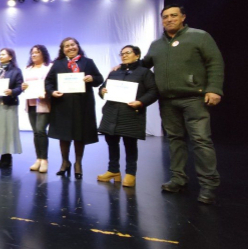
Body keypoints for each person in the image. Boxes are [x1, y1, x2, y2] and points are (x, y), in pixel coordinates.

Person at [144, 5, 224, 204]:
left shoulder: (199, 36)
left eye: (174, 15)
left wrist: (214, 89)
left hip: (194, 98)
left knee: (201, 140)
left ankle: (208, 185)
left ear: (183, 17)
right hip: (167, 101)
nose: (169, 19)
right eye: (165, 17)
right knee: (175, 140)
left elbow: (215, 62)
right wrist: (123, 67)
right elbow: (144, 66)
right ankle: (178, 179)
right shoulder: (156, 45)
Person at [97, 45, 158, 187]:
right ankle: (113, 170)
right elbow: (102, 88)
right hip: (111, 113)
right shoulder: (114, 72)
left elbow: (153, 91)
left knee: (130, 144)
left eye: (128, 53)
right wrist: (102, 91)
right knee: (111, 142)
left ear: (137, 55)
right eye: (122, 53)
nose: (124, 55)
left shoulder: (144, 72)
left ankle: (130, 173)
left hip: (131, 113)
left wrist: (141, 102)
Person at [45, 37, 103, 178]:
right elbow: (48, 82)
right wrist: (52, 92)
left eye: (73, 44)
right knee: (64, 136)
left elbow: (99, 79)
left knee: (79, 135)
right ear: (62, 50)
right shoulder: (57, 64)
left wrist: (92, 79)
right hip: (62, 105)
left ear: (78, 46)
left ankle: (78, 163)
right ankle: (65, 162)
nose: (70, 47)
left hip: (82, 105)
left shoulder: (87, 62)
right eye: (67, 46)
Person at [0, 48, 23, 168]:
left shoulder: (16, 71)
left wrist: (12, 91)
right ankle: (2, 155)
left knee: (8, 130)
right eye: (0, 54)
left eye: (3, 54)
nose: (0, 56)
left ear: (10, 57)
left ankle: (8, 156)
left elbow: (20, 87)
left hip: (9, 104)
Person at [22, 45, 53, 173]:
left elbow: (52, 83)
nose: (34, 55)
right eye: (32, 53)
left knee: (41, 130)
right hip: (31, 103)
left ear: (43, 54)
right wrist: (23, 86)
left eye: (37, 52)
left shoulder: (49, 67)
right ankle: (38, 159)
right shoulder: (27, 68)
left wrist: (46, 92)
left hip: (44, 102)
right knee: (35, 132)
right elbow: (24, 84)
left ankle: (44, 159)